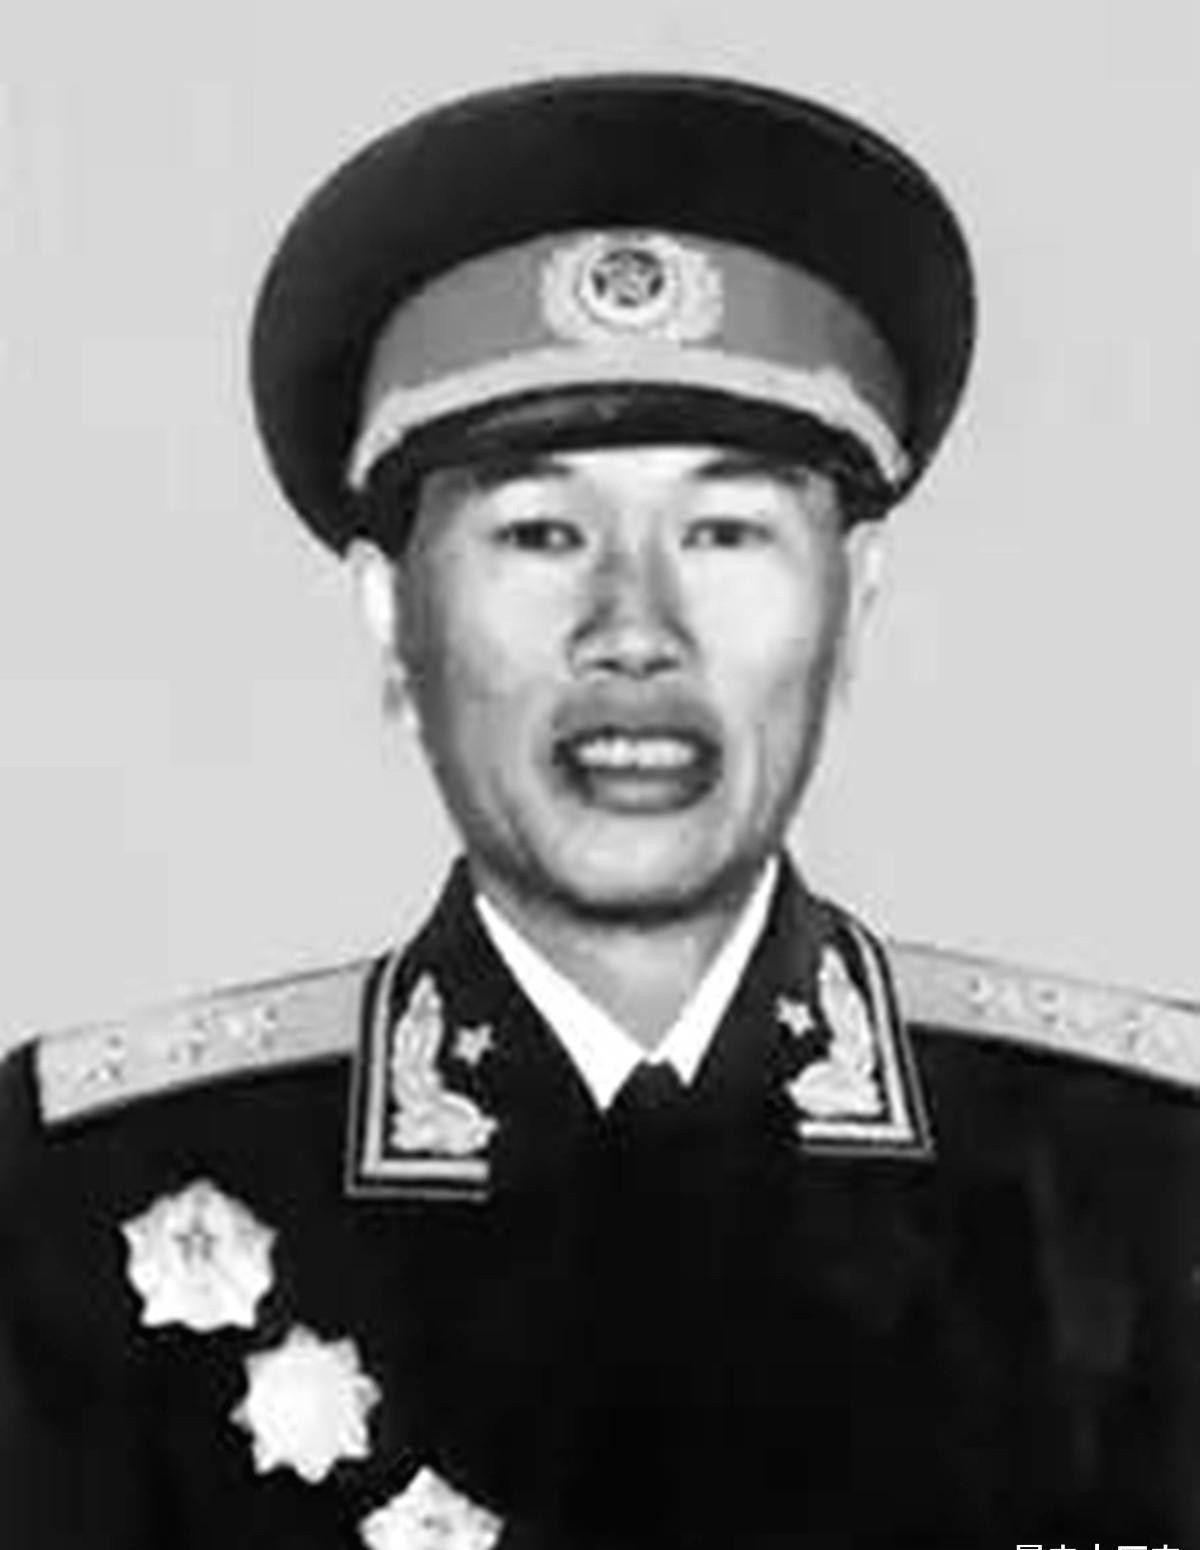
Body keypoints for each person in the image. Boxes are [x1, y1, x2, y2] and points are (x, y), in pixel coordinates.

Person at [2, 72, 1199, 1550]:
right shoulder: (92, 1198)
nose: (636, 628)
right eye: (541, 533)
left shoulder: (1137, 1177)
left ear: (855, 599)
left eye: (725, 531)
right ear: (391, 616)